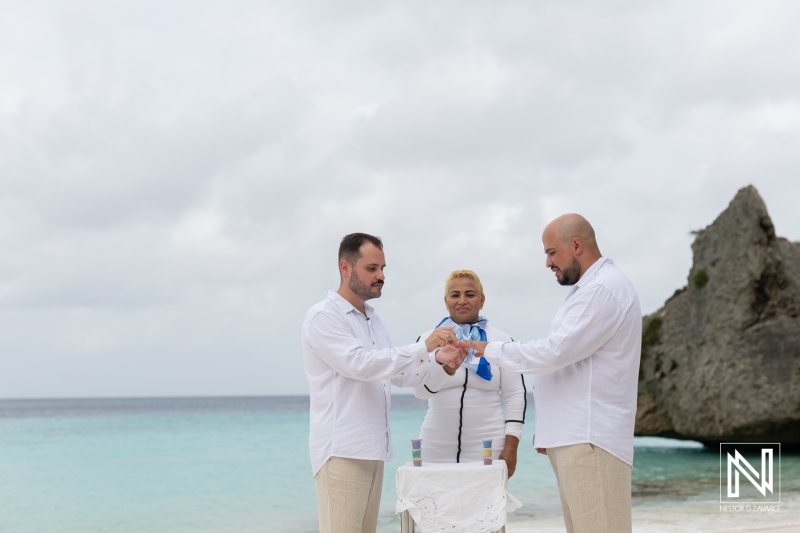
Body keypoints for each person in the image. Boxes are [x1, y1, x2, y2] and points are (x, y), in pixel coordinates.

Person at [461, 214, 642, 533]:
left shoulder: (602, 289)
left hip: (589, 438)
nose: (547, 263)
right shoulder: (590, 289)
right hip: (576, 436)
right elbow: (571, 364)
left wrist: (488, 348)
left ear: (576, 245)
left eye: (551, 252)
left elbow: (555, 352)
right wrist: (549, 430)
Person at [302, 232, 466, 533]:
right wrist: (423, 347)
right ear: (345, 268)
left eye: (383, 268)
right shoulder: (324, 317)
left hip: (373, 449)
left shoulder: (372, 320)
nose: (381, 276)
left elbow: (398, 374)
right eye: (372, 268)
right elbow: (360, 365)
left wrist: (442, 360)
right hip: (342, 451)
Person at [413, 270, 526, 477]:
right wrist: (446, 367)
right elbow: (420, 391)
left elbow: (515, 395)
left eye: (470, 294)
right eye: (455, 295)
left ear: (482, 300)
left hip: (488, 443)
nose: (462, 300)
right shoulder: (428, 339)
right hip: (435, 445)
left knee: (486, 507)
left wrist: (512, 447)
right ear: (446, 301)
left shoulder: (500, 340)